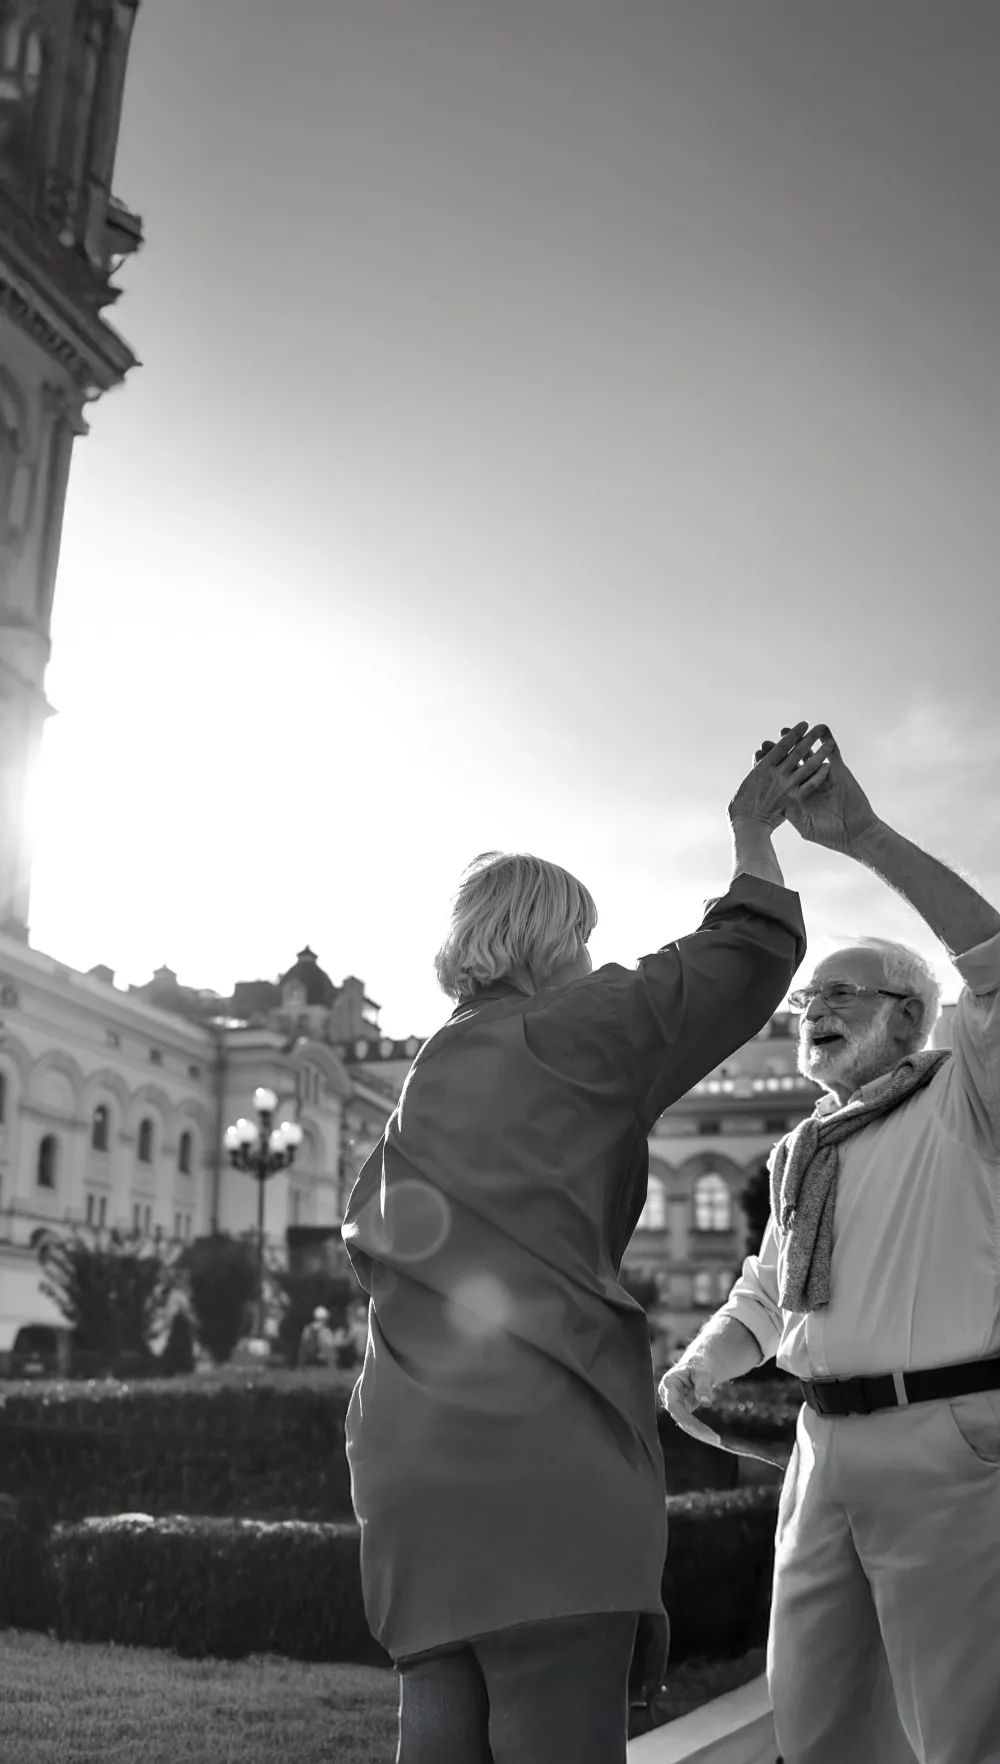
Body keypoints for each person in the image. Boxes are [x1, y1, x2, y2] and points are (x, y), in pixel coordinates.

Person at [341, 721, 832, 1764]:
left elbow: (372, 1248)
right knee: (555, 1704)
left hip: (408, 1451)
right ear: (552, 941)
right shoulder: (571, 1031)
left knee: (439, 1710)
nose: (593, 955)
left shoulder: (422, 1079)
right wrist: (752, 832)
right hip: (544, 1437)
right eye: (582, 936)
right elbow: (742, 958)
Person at [660, 730, 1000, 1764]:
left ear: (910, 1018)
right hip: (822, 1443)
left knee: (961, 1723)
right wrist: (700, 1363)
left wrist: (860, 837)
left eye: (838, 994)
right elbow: (774, 1288)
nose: (811, 1010)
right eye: (809, 999)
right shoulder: (803, 1142)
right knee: (817, 1719)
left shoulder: (963, 1093)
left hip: (943, 1434)